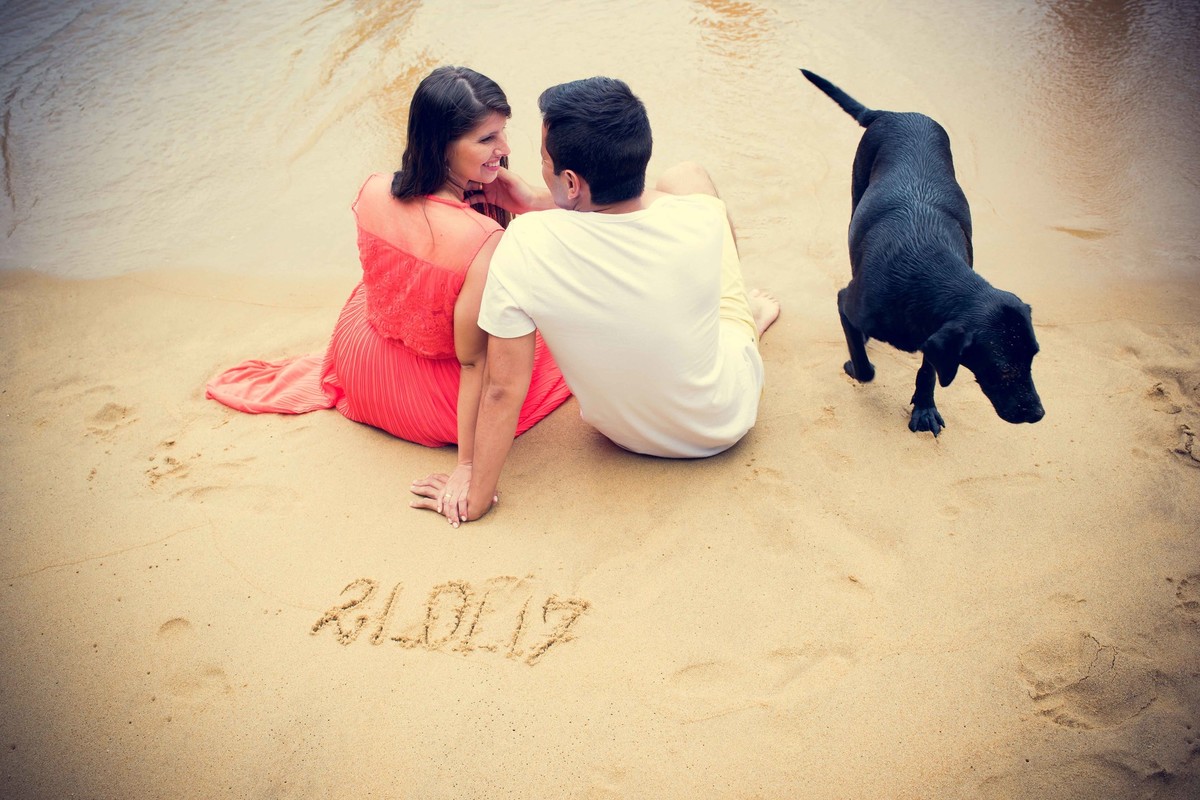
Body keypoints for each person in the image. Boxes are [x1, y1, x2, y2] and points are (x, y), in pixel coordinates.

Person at [410, 76, 780, 527]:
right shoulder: (701, 216)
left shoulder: (524, 244)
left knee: (711, 291)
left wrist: (477, 496)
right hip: (725, 423)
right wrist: (546, 196)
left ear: (570, 181)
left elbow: (503, 388)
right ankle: (745, 322)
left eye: (544, 160)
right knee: (688, 175)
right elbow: (656, 197)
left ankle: (746, 323)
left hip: (623, 435)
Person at [205, 66, 572, 469]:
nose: (503, 147)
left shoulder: (375, 188)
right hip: (434, 403)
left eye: (503, 131)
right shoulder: (483, 237)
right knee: (557, 318)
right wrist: (467, 466)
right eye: (487, 138)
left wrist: (527, 200)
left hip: (362, 366)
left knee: (399, 274)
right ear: (442, 145)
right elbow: (474, 364)